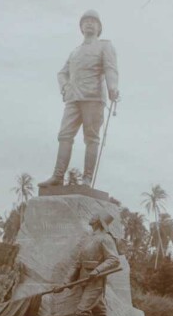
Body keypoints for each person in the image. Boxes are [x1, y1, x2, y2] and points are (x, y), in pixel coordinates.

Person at [39, 10, 119, 188]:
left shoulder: (105, 46)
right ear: (81, 28)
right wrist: (65, 87)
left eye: (93, 22)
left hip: (93, 97)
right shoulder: (75, 52)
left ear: (99, 28)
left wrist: (113, 87)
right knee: (64, 135)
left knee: (91, 138)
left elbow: (110, 68)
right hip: (73, 98)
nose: (89, 24)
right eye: (86, 22)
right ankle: (58, 176)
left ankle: (87, 178)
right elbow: (62, 73)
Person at [53, 211, 120, 316]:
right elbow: (77, 264)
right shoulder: (88, 239)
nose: (91, 216)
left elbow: (114, 259)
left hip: (95, 281)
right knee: (99, 311)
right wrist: (65, 283)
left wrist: (97, 270)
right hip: (84, 280)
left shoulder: (105, 239)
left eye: (95, 215)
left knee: (83, 310)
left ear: (99, 220)